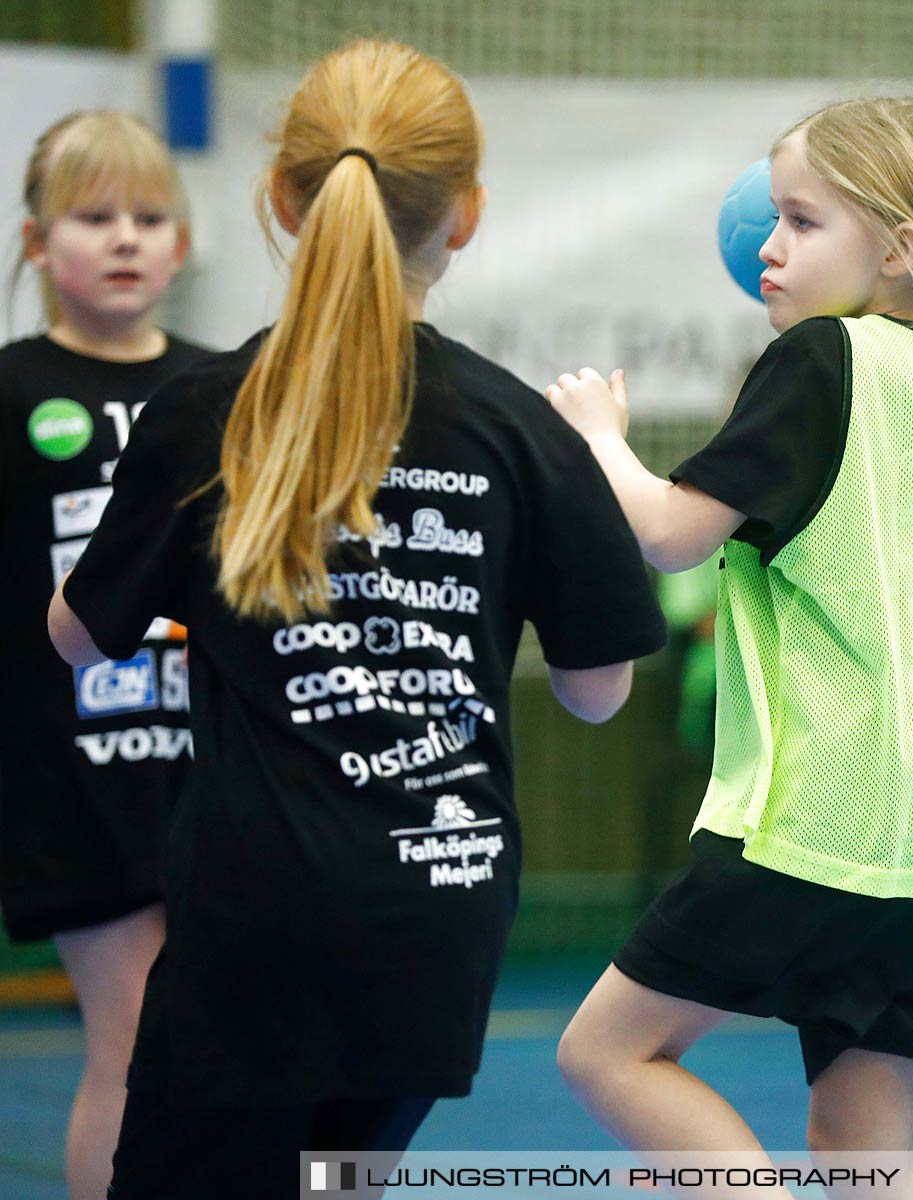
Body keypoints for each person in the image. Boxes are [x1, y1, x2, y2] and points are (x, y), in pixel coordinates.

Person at [45, 40, 664, 1196]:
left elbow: (81, 637)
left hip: (257, 913)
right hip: (443, 903)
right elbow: (598, 690)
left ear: (283, 197)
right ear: (466, 216)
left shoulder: (202, 412)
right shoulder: (521, 429)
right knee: (335, 1179)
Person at [549, 96, 913, 1198]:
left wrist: (599, 445)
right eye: (771, 218)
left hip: (828, 813)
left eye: (802, 222)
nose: (766, 248)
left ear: (901, 246)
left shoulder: (825, 357)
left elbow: (672, 534)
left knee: (606, 1051)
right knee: (865, 1156)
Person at [0, 109, 206, 1200]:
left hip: (214, 770)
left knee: (225, 1045)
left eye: (148, 216)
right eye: (92, 217)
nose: (124, 237)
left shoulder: (224, 385)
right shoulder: (14, 390)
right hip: (72, 776)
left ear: (183, 243)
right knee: (130, 1045)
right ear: (37, 244)